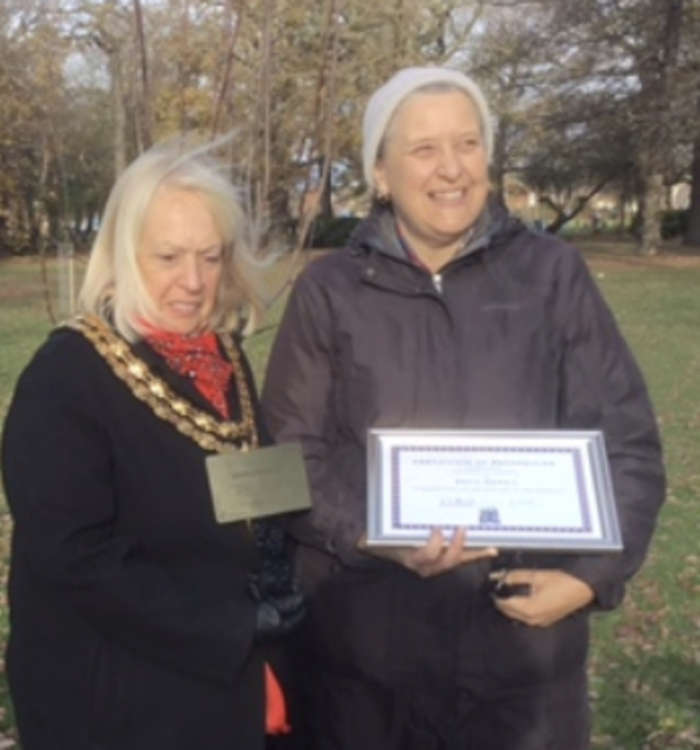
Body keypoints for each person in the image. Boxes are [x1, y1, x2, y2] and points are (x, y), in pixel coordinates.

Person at [261, 67, 665, 750]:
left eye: (468, 144)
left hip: (521, 669)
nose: (451, 168)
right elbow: (282, 461)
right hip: (363, 667)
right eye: (423, 149)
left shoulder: (550, 274)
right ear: (381, 174)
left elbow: (627, 445)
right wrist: (370, 532)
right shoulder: (330, 291)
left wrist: (591, 579)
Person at [1, 139, 304, 749]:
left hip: (228, 686)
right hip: (121, 699)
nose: (193, 282)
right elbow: (75, 559)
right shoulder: (66, 375)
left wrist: (280, 567)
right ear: (124, 255)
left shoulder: (225, 356)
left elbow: (255, 479)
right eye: (167, 257)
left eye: (210, 257)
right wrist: (230, 625)